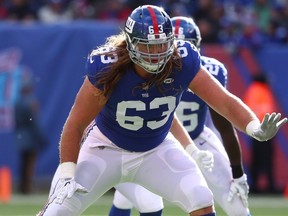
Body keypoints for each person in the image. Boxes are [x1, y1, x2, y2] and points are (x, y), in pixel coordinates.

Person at [38, 5, 287, 216]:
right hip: (106, 148)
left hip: (155, 148)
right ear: (131, 43)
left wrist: (254, 127)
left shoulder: (182, 60)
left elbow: (223, 101)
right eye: (149, 46)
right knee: (58, 210)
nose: (157, 53)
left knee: (200, 196)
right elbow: (75, 125)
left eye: (162, 45)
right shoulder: (107, 67)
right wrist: (67, 171)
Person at [108, 16, 252, 216]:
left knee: (237, 205)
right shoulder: (144, 69)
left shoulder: (208, 71)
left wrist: (238, 174)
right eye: (170, 46)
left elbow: (225, 125)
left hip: (197, 139)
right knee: (132, 195)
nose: (174, 55)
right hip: (157, 141)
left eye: (183, 48)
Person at [243, 72, 278, 193]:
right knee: (265, 159)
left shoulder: (254, 90)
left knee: (258, 159)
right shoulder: (259, 90)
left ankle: (255, 185)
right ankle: (267, 186)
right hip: (263, 130)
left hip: (258, 130)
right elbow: (263, 110)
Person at [14, 70, 46, 194]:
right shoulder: (30, 102)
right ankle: (27, 188)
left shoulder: (17, 102)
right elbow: (34, 122)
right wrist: (41, 138)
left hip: (20, 137)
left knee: (23, 163)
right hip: (30, 137)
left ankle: (22, 187)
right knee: (29, 164)